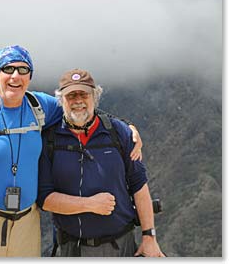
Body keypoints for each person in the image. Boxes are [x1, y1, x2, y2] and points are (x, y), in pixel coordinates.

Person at [0, 46, 143, 257]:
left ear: (29, 77)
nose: (15, 76)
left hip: (26, 222)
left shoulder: (39, 106)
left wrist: (125, 127)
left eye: (23, 70)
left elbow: (81, 109)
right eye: (8, 69)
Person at [37, 68, 165, 257]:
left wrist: (149, 237)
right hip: (71, 249)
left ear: (95, 97)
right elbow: (45, 199)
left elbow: (139, 186)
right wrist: (90, 204)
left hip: (121, 247)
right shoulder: (49, 140)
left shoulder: (119, 133)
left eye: (84, 94)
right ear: (61, 100)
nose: (78, 100)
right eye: (71, 95)